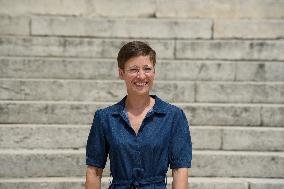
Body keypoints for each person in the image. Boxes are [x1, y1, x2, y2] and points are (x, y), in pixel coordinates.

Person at [85, 41, 192, 189]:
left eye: (147, 69)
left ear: (154, 72)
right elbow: (94, 170)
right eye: (134, 69)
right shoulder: (105, 118)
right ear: (121, 73)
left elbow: (180, 170)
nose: (141, 76)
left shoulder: (173, 116)